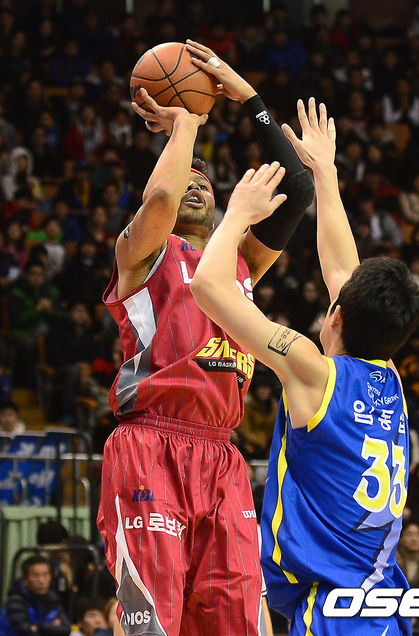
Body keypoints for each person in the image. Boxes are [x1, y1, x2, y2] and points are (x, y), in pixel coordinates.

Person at [97, 40, 313, 636]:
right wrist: (186, 125)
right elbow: (162, 196)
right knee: (153, 621)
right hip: (150, 444)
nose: (195, 183)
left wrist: (247, 96)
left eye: (206, 180)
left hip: (222, 455)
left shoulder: (239, 261)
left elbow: (297, 189)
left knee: (238, 622)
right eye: (186, 173)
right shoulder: (141, 253)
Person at [191, 98, 419, 634]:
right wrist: (325, 174)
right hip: (380, 600)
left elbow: (206, 287)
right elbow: (343, 270)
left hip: (334, 608)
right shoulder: (391, 378)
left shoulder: (310, 368)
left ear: (334, 316)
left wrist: (238, 215)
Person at [0, 555, 70, 636]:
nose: (41, 581)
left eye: (45, 575)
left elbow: (66, 630)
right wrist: (52, 627)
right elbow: (26, 632)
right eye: (35, 576)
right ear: (25, 579)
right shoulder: (16, 601)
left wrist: (39, 627)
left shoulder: (52, 599)